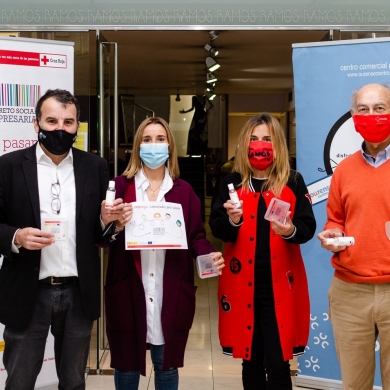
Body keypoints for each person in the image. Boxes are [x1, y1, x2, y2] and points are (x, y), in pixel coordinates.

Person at [0, 89, 122, 389]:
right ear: (36, 123)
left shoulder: (94, 166)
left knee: (73, 381)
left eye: (68, 122)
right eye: (52, 120)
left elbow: (99, 235)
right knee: (20, 381)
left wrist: (107, 223)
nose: (60, 129)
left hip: (78, 293)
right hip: (28, 291)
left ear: (77, 126)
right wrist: (16, 235)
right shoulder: (9, 166)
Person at [104, 116, 225, 390]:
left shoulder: (184, 192)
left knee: (166, 365)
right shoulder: (120, 187)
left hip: (169, 288)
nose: (153, 145)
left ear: (169, 145)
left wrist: (208, 256)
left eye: (160, 139)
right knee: (126, 366)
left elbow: (196, 236)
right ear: (137, 146)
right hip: (129, 287)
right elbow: (101, 238)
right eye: (147, 140)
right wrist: (110, 223)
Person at [209, 113, 316, 390]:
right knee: (251, 359)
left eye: (267, 139)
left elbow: (307, 228)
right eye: (254, 139)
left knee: (279, 361)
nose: (260, 145)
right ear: (245, 144)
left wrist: (290, 229)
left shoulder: (292, 181)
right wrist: (233, 220)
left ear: (277, 144)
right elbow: (218, 228)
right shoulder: (230, 183)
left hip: (280, 287)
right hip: (241, 287)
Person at [317, 83, 390, 390]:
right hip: (349, 293)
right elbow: (336, 220)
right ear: (353, 116)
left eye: (379, 108)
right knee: (354, 385)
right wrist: (334, 234)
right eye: (363, 109)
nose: (371, 115)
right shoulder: (344, 170)